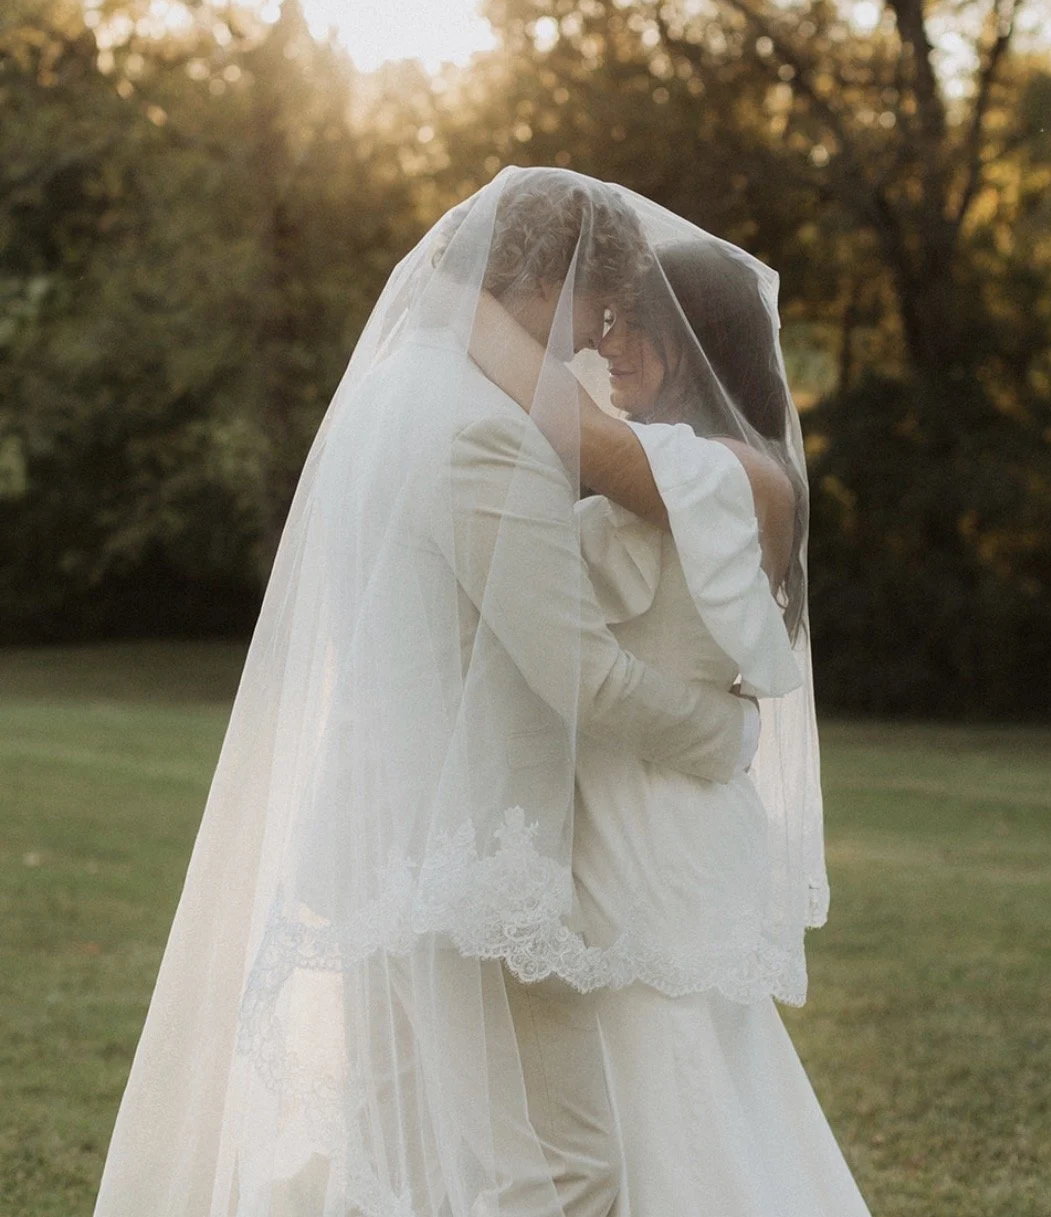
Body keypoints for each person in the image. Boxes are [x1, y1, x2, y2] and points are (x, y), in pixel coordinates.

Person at [90, 168, 761, 1217]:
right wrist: (722, 732)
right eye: (594, 302)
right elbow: (585, 675)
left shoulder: (395, 390)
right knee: (565, 1172)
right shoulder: (485, 429)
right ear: (545, 279)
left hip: (371, 841)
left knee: (401, 1172)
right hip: (468, 866)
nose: (591, 339)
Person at [470, 222, 872, 1215]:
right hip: (613, 810)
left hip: (665, 829)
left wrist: (466, 303)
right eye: (601, 318)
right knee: (623, 1098)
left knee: (676, 1083)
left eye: (629, 322)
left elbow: (581, 433)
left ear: (696, 339)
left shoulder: (744, 478)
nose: (605, 342)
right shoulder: (673, 463)